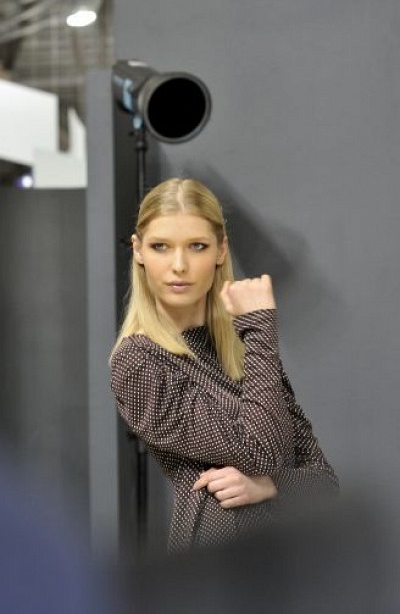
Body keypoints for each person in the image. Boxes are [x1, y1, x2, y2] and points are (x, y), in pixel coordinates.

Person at [110, 177, 338, 553]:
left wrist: (268, 486)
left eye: (197, 246)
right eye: (161, 246)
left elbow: (324, 484)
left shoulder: (243, 344)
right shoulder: (138, 363)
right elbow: (262, 452)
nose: (179, 265)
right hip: (218, 557)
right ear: (138, 251)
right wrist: (260, 328)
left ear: (220, 250)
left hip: (290, 562)